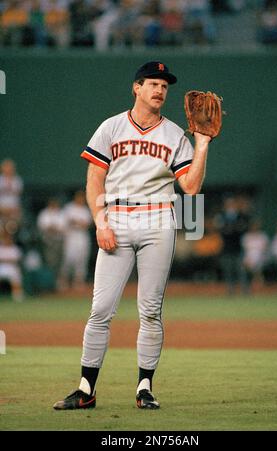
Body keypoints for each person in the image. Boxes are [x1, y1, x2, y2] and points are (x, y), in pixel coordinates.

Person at [53, 61, 212, 411]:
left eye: (164, 86)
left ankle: (144, 388)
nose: (160, 90)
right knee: (100, 310)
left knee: (151, 311)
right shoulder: (111, 127)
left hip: (158, 220)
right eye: (153, 83)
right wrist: (100, 222)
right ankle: (85, 389)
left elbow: (190, 187)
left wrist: (201, 144)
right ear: (136, 88)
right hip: (117, 218)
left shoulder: (174, 135)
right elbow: (95, 178)